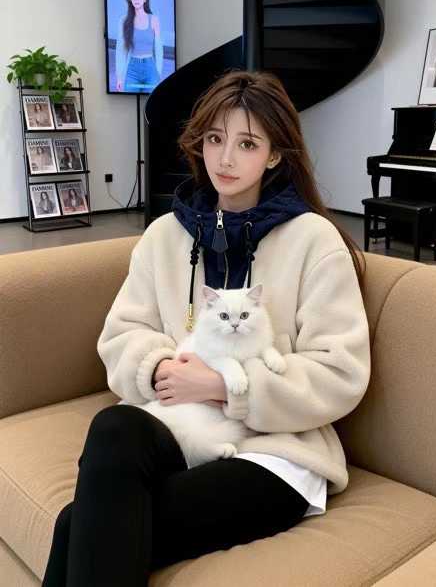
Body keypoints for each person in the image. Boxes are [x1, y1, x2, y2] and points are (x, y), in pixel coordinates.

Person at [42, 69, 371, 586]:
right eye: (215, 139)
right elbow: (123, 334)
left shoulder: (315, 241)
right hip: (183, 428)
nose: (225, 159)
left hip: (276, 454)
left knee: (76, 526)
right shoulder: (163, 237)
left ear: (275, 155)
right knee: (114, 427)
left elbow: (339, 372)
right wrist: (162, 369)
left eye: (247, 143)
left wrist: (222, 386)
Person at [114, 0, 163, 93]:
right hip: (132, 69)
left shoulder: (154, 20)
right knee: (128, 98)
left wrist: (158, 74)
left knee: (152, 101)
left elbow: (159, 50)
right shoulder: (124, 21)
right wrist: (119, 77)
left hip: (150, 68)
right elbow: (120, 51)